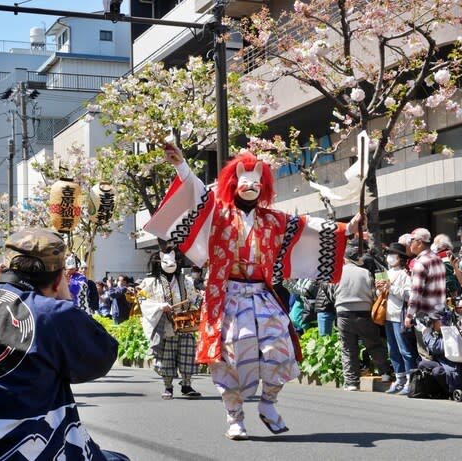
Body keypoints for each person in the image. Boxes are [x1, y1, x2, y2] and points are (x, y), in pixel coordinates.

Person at [144, 144, 360, 440]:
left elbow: (308, 226)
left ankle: (269, 403)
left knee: (279, 351)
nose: (251, 187)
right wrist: (181, 165)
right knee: (232, 355)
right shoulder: (218, 212)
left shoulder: (273, 218)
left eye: (256, 183)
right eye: (244, 182)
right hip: (228, 295)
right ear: (233, 185)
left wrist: (346, 229)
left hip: (262, 295)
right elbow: (196, 192)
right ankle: (235, 416)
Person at [0, 229, 129, 461]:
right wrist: (65, 301)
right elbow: (102, 356)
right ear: (58, 280)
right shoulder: (52, 314)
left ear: (2, 269)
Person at [139, 247, 202, 400]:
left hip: (185, 323)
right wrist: (159, 306)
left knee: (188, 354)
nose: (170, 265)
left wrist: (195, 305)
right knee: (167, 357)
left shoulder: (186, 281)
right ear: (159, 263)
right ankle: (168, 386)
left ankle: (187, 385)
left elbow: (194, 298)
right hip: (166, 323)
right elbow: (141, 300)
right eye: (166, 262)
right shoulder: (150, 282)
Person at [331, 245, 391, 391]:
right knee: (374, 344)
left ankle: (351, 382)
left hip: (343, 312)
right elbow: (373, 293)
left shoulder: (336, 273)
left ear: (344, 259)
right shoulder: (365, 272)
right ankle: (385, 374)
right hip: (364, 312)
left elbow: (331, 293)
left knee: (348, 348)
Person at [376, 242, 417, 395]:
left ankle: (410, 380)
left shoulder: (405, 274)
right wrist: (379, 289)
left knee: (404, 350)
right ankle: (399, 379)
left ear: (400, 258)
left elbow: (409, 295)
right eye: (388, 254)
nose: (389, 257)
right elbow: (380, 295)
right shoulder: (386, 273)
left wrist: (390, 288)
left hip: (399, 315)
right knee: (392, 350)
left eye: (393, 254)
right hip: (387, 315)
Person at [418, 305, 462, 397]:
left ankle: (449, 391)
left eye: (434, 320)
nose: (431, 323)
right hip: (444, 363)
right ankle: (439, 389)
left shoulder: (452, 333)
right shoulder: (438, 331)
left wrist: (425, 332)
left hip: (455, 369)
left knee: (437, 371)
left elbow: (435, 347)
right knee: (422, 364)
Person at [403, 228, 447, 330]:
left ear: (419, 243)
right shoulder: (437, 259)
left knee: (425, 345)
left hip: (426, 318)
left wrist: (409, 315)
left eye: (411, 241)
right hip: (441, 313)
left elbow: (416, 293)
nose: (409, 244)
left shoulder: (420, 263)